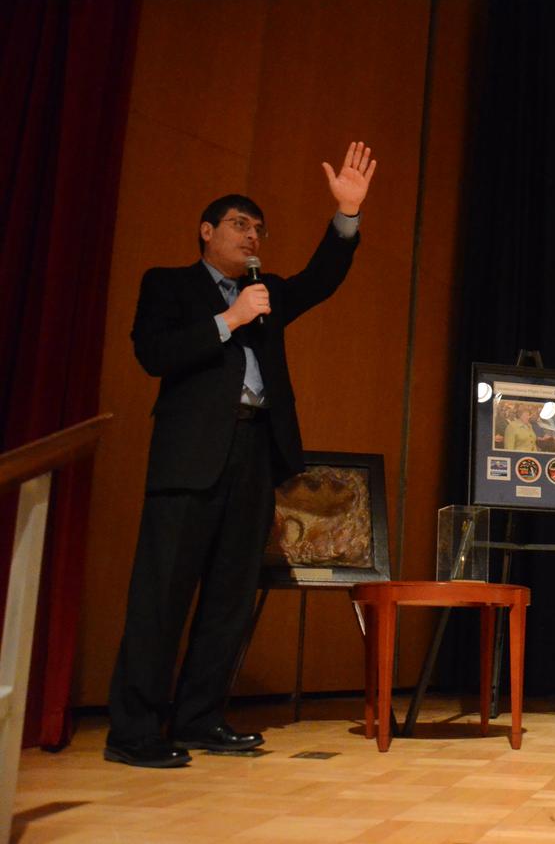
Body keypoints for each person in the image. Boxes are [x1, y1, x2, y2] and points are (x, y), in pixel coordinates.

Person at [105, 141, 377, 768]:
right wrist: (227, 319)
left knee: (230, 596)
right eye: (238, 223)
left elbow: (321, 280)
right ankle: (135, 730)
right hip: (190, 456)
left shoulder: (268, 291)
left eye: (258, 227)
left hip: (255, 451)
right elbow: (154, 354)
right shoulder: (169, 285)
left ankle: (200, 719)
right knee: (162, 595)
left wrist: (347, 216)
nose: (252, 234)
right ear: (206, 231)